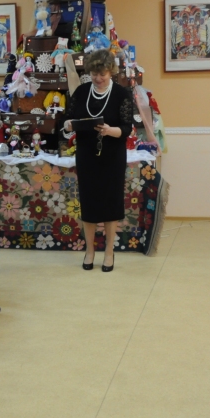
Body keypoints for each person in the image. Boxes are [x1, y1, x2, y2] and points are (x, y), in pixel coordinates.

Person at [63, 49, 135, 272]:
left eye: (102, 74)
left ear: (111, 72)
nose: (98, 78)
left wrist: (110, 130)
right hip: (86, 156)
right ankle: (90, 251)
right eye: (94, 74)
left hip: (112, 156)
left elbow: (127, 128)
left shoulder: (122, 94)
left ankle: (109, 252)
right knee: (89, 202)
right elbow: (68, 119)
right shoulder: (82, 92)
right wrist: (68, 125)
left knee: (111, 203)